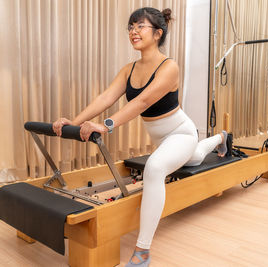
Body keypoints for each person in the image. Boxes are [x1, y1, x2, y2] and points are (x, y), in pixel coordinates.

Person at [53, 7, 231, 266]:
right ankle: (219, 139)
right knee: (194, 159)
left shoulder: (169, 66)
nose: (133, 31)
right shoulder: (129, 70)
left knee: (156, 168)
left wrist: (106, 126)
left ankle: (142, 251)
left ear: (158, 33)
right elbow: (105, 97)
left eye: (140, 26)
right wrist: (74, 121)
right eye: (131, 27)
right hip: (163, 141)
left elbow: (144, 101)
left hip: (181, 133)